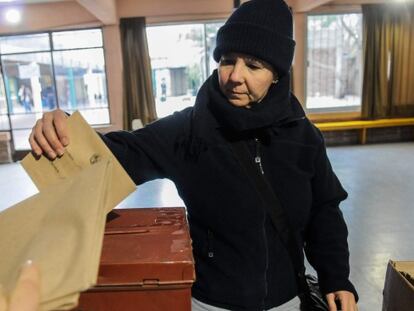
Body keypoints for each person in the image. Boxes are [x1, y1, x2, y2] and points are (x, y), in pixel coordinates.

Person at [29, 1, 358, 310]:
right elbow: (120, 154)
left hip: (288, 300)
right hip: (212, 303)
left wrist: (336, 277)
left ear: (277, 75)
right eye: (227, 60)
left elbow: (324, 210)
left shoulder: (303, 136)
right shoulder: (188, 130)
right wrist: (65, 135)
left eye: (253, 65)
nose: (234, 76)